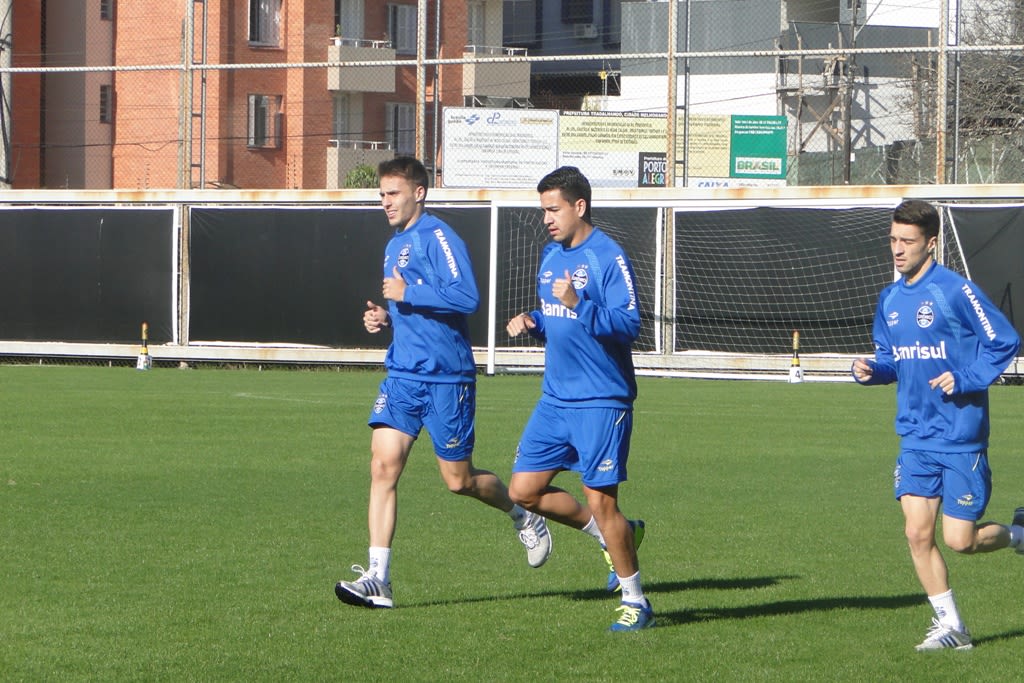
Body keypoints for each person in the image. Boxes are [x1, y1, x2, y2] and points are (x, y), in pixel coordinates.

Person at [335, 157, 551, 609]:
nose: (385, 202)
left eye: (393, 193)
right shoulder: (395, 245)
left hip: (447, 379)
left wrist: (406, 294)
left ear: (419, 192)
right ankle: (379, 578)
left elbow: (466, 296)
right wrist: (385, 317)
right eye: (381, 194)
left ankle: (521, 514)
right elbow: (410, 310)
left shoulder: (438, 236)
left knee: (459, 481)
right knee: (382, 466)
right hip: (403, 376)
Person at [852, 199, 1022, 651]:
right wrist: (872, 369)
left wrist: (965, 378)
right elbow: (892, 358)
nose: (897, 249)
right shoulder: (889, 298)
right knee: (916, 533)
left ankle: (1019, 534)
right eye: (893, 239)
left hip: (960, 436)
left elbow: (1004, 341)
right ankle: (953, 627)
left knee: (960, 540)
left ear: (931, 243)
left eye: (907, 241)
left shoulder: (954, 291)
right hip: (914, 435)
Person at [505, 166, 653, 632]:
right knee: (523, 491)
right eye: (543, 210)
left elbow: (630, 325)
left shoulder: (608, 256)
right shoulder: (550, 257)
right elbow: (556, 321)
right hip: (555, 400)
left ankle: (636, 601)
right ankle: (616, 536)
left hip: (601, 400)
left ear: (579, 206)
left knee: (601, 499)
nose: (547, 218)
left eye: (554, 209)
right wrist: (533, 320)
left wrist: (579, 304)